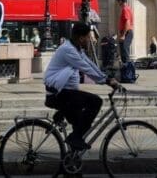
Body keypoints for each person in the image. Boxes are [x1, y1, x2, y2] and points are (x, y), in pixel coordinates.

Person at [44, 22, 120, 151]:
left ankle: (71, 164)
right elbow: (85, 68)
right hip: (59, 94)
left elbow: (90, 64)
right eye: (88, 37)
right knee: (95, 101)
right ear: (81, 38)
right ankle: (75, 137)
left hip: (67, 93)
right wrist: (106, 81)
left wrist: (106, 77)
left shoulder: (76, 49)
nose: (90, 40)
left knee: (81, 125)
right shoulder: (68, 50)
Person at [116, 0, 133, 64]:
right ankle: (126, 69)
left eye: (118, 1)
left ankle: (127, 70)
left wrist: (123, 35)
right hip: (126, 32)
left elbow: (127, 22)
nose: (118, 3)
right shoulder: (128, 8)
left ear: (121, 1)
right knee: (124, 51)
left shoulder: (125, 9)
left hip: (126, 32)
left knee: (124, 51)